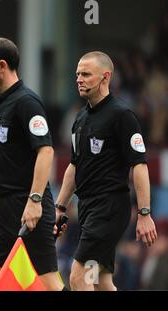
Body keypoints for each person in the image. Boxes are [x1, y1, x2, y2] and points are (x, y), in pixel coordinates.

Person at [55, 51, 158, 291]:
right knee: (101, 281)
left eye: (86, 74)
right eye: (78, 74)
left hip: (109, 208)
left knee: (78, 277)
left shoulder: (122, 115)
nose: (79, 79)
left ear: (105, 77)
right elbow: (74, 165)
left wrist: (144, 213)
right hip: (89, 208)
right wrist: (60, 207)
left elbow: (139, 165)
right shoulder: (79, 117)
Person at [0, 38, 64, 291]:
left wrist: (34, 201)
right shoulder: (6, 102)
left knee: (48, 282)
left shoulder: (27, 102)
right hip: (3, 205)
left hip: (29, 204)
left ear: (1, 65)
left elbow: (46, 151)